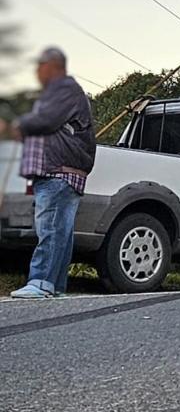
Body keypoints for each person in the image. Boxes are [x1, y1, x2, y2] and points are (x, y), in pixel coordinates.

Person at [9, 47, 97, 299]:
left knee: (50, 228)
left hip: (59, 171)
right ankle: (54, 285)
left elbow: (46, 120)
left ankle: (41, 281)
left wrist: (18, 125)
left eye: (40, 66)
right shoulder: (59, 91)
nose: (37, 71)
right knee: (59, 231)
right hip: (57, 171)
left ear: (52, 66)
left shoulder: (63, 88)